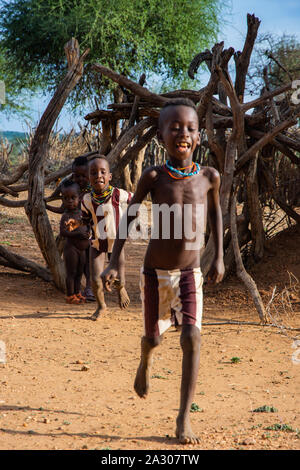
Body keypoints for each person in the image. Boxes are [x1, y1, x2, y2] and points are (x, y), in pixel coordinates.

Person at [101, 98, 224, 445]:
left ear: (199, 137)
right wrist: (114, 260)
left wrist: (218, 257)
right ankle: (146, 357)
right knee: (155, 337)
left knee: (191, 337)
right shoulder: (153, 176)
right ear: (160, 135)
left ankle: (183, 418)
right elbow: (130, 216)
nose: (182, 133)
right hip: (154, 273)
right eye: (175, 127)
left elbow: (216, 215)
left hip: (190, 272)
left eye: (190, 128)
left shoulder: (209, 177)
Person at [81, 155, 133, 321]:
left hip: (117, 242)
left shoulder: (118, 194)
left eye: (103, 172)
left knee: (119, 274)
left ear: (110, 176)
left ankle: (121, 289)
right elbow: (85, 220)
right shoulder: (87, 199)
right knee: (95, 278)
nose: (99, 176)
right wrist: (80, 227)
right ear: (89, 178)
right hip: (97, 243)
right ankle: (101, 306)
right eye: (94, 173)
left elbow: (135, 198)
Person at [45, 155, 94, 301]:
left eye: (83, 176)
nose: (79, 179)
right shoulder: (71, 190)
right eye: (76, 175)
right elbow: (63, 211)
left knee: (88, 263)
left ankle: (89, 288)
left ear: (89, 174)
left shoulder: (92, 190)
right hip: (78, 233)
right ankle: (73, 293)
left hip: (91, 230)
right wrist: (46, 205)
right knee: (74, 269)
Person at [59, 180, 90, 304]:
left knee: (79, 273)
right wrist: (77, 233)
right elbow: (63, 232)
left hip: (82, 249)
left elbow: (86, 226)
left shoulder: (82, 213)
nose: (70, 201)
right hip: (71, 248)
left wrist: (88, 233)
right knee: (71, 273)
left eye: (73, 197)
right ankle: (70, 295)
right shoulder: (66, 216)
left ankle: (78, 293)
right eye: (66, 198)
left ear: (80, 197)